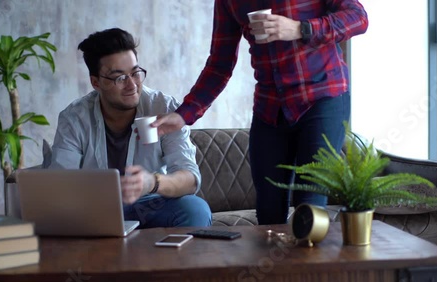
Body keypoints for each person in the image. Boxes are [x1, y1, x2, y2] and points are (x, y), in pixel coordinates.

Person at [152, 1, 368, 225]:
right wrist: (184, 114)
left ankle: (311, 257)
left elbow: (359, 18)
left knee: (310, 207)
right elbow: (220, 64)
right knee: (268, 212)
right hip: (270, 108)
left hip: (323, 96)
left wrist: (300, 28)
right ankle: (277, 261)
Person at [48, 28, 212, 228]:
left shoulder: (163, 108)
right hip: (96, 208)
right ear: (96, 82)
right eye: (119, 77)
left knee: (195, 209)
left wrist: (152, 182)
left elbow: (190, 179)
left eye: (135, 73)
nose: (132, 85)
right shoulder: (75, 118)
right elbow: (60, 184)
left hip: (149, 204)